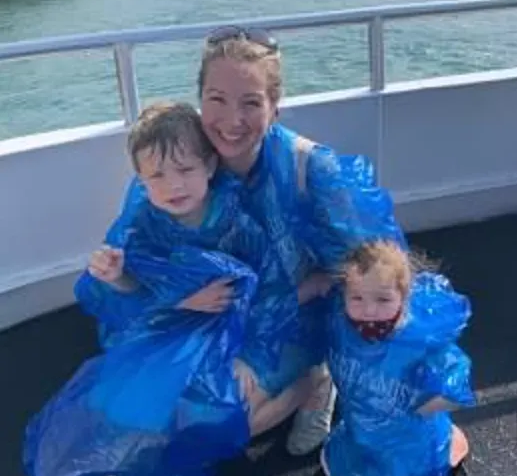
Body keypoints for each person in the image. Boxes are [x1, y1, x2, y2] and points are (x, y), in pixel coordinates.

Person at [23, 102, 312, 476]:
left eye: (185, 169)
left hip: (238, 333)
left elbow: (271, 293)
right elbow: (119, 293)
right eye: (157, 175)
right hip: (171, 327)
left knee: (221, 416)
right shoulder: (142, 219)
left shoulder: (237, 223)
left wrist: (250, 359)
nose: (173, 184)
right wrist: (118, 278)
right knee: (120, 412)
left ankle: (309, 388)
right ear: (140, 181)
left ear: (209, 166)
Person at [189, 25, 409, 454]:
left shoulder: (311, 169)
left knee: (218, 427)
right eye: (217, 99)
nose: (232, 122)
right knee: (159, 411)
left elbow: (374, 259)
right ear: (200, 99)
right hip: (225, 313)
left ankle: (313, 384)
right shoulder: (185, 158)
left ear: (275, 108)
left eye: (251, 103)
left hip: (296, 315)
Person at [317, 240, 475, 476]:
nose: (369, 311)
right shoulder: (341, 325)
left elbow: (456, 384)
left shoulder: (420, 339)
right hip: (359, 436)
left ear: (404, 296)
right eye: (357, 298)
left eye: (383, 300)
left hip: (411, 449)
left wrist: (429, 404)